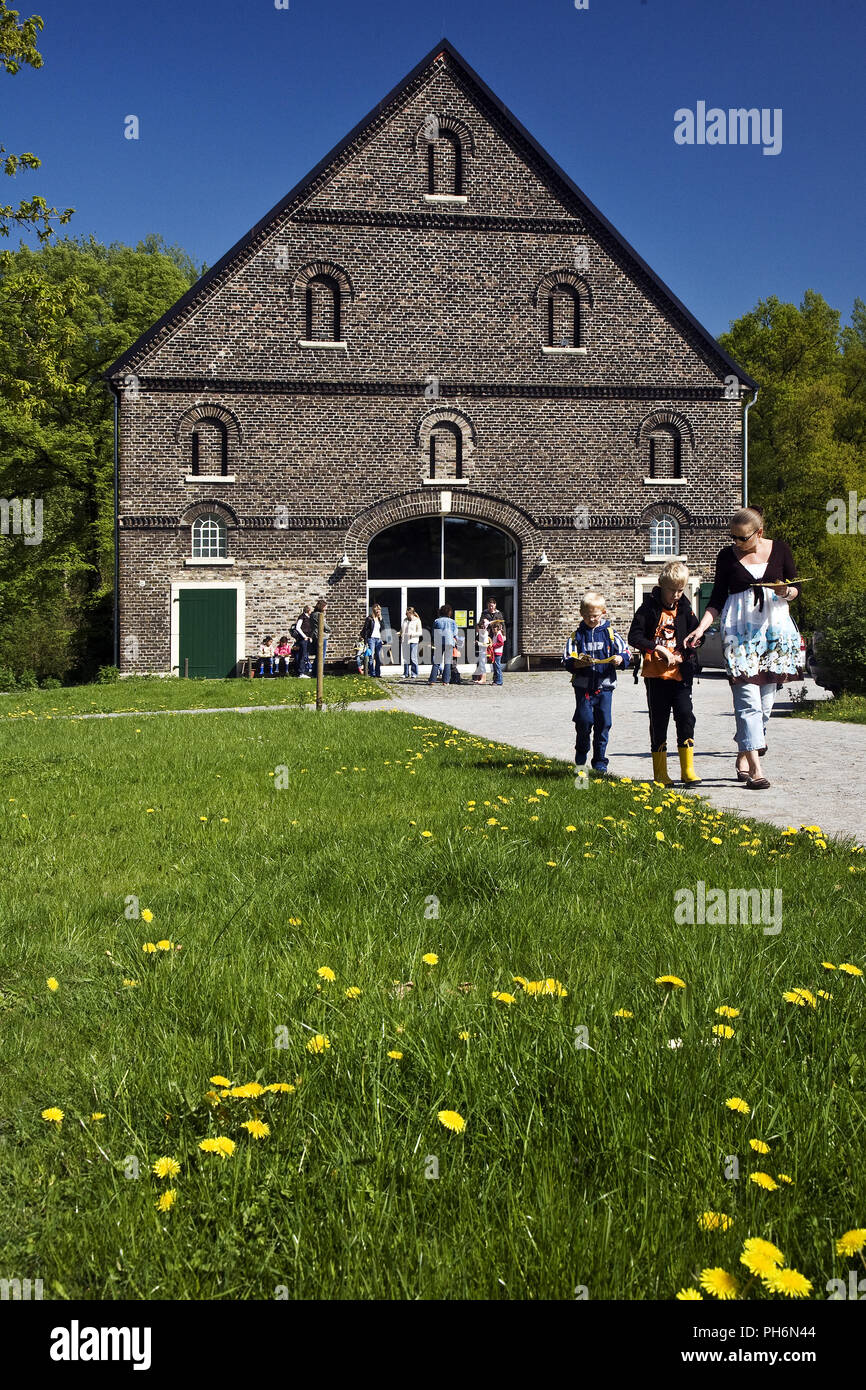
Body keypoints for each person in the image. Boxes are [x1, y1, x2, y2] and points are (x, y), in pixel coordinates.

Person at [684, 506, 803, 790]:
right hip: (739, 637)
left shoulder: (781, 549)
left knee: (764, 707)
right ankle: (756, 770)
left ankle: (742, 754)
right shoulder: (726, 556)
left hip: (775, 635)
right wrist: (701, 628)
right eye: (732, 537)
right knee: (747, 703)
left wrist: (785, 591)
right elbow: (717, 599)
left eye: (742, 538)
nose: (735, 543)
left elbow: (796, 588)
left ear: (759, 533)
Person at [628, 561, 703, 786]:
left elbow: (698, 637)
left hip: (681, 676)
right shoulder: (647, 609)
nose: (677, 595)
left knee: (686, 717)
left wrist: (686, 653)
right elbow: (635, 637)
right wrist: (656, 648)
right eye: (672, 590)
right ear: (661, 585)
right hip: (656, 677)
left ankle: (687, 770)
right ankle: (660, 773)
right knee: (659, 722)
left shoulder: (685, 609)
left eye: (681, 590)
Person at [562, 591, 631, 775]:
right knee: (584, 722)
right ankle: (581, 757)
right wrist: (576, 663)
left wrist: (620, 658)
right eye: (587, 616)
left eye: (595, 615)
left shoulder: (610, 634)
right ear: (581, 614)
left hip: (605, 687)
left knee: (603, 724)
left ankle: (600, 761)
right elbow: (567, 658)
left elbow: (627, 653)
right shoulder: (576, 636)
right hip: (583, 687)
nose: (591, 619)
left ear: (603, 613)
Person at [428, 604, 458, 684]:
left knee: (436, 662)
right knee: (447, 662)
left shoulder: (437, 621)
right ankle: (446, 681)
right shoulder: (452, 622)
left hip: (439, 642)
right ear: (449, 613)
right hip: (449, 642)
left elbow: (433, 632)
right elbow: (455, 633)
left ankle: (432, 680)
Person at [360, 604, 384, 677]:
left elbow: (383, 629)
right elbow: (366, 630)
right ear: (374, 610)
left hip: (378, 639)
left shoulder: (380, 619)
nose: (378, 611)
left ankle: (378, 673)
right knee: (371, 656)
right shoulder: (369, 618)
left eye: (379, 610)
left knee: (378, 656)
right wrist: (366, 641)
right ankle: (372, 673)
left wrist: (381, 619)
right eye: (377, 610)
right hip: (371, 639)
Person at [400, 607, 422, 679]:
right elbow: (402, 629)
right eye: (406, 614)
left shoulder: (417, 621)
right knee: (406, 658)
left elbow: (420, 632)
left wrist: (412, 634)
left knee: (413, 657)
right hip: (405, 641)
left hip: (413, 641)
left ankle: (414, 673)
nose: (406, 615)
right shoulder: (405, 620)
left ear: (411, 613)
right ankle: (406, 673)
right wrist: (400, 633)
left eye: (407, 614)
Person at [292, 605, 314, 678]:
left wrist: (309, 637)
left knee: (305, 655)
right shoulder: (302, 617)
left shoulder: (308, 617)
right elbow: (298, 627)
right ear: (308, 610)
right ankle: (301, 672)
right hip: (303, 639)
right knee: (302, 655)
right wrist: (304, 636)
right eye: (311, 609)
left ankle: (305, 671)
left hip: (307, 639)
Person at [310, 599, 331, 670]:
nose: (326, 609)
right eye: (325, 607)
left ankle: (314, 672)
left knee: (318, 655)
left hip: (315, 636)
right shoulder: (319, 615)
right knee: (321, 656)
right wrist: (329, 629)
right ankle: (318, 672)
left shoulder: (312, 614)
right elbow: (325, 627)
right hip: (321, 636)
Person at [472, 617, 490, 684]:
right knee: (479, 665)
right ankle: (479, 678)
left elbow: (486, 644)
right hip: (479, 651)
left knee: (482, 665)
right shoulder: (480, 634)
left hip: (483, 652)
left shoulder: (484, 634)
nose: (476, 629)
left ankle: (483, 679)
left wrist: (477, 643)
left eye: (477, 628)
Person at [488, 621, 506, 686]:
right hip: (495, 652)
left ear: (497, 628)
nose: (492, 630)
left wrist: (493, 645)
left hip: (498, 653)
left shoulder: (499, 634)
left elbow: (501, 643)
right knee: (495, 667)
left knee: (497, 667)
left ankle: (499, 681)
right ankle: (495, 680)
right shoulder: (495, 635)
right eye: (492, 629)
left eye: (493, 628)